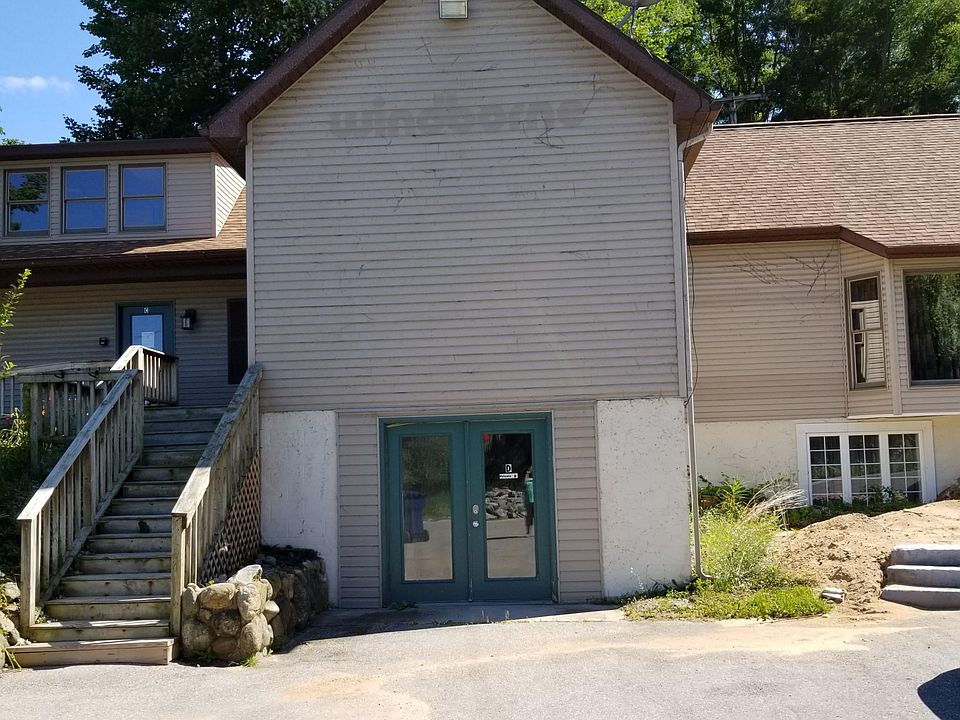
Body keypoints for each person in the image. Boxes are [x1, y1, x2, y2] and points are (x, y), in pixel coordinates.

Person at [523, 467, 535, 536]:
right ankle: (528, 532)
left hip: (536, 502)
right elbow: (525, 483)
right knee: (529, 517)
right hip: (529, 501)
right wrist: (527, 473)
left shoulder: (536, 480)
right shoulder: (528, 481)